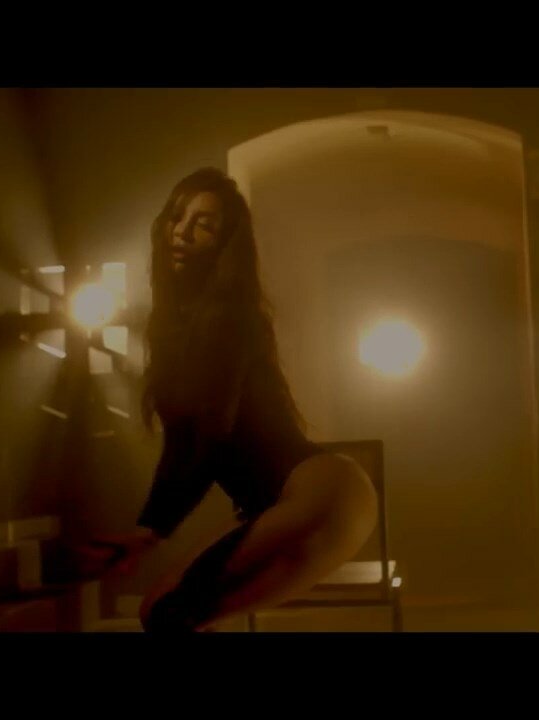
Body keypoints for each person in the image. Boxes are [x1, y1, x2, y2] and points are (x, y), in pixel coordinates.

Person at [102, 167, 377, 633]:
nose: (182, 232)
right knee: (171, 615)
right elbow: (183, 442)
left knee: (166, 612)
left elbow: (210, 432)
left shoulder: (228, 318)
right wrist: (148, 530)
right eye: (177, 217)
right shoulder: (183, 324)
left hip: (320, 493)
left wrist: (154, 529)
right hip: (324, 502)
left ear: (224, 244)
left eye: (203, 225)